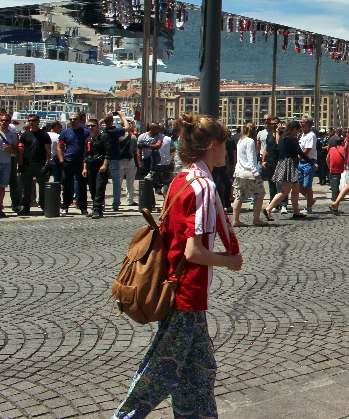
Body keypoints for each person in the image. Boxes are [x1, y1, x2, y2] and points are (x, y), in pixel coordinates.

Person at [112, 112, 242, 419]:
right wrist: (229, 261)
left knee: (199, 371)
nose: (227, 152)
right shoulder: (203, 187)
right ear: (213, 145)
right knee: (159, 371)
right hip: (186, 293)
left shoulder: (181, 179)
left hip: (179, 290)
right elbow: (193, 251)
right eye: (224, 145)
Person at [263, 120, 315, 219]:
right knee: (284, 191)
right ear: (294, 129)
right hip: (290, 164)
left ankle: (296, 211)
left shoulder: (282, 137)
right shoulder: (292, 138)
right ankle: (268, 209)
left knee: (295, 189)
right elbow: (301, 152)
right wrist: (312, 163)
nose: (299, 132)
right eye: (298, 130)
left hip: (283, 163)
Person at [230, 122, 267, 227]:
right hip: (249, 172)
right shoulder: (250, 141)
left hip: (239, 172)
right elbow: (251, 157)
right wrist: (255, 171)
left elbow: (239, 157)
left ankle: (235, 220)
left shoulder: (240, 140)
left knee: (239, 196)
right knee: (260, 194)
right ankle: (256, 219)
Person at [15, 114, 51, 216]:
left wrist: (47, 163)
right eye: (30, 120)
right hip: (27, 165)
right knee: (26, 188)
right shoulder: (25, 135)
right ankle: (26, 207)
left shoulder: (44, 134)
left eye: (34, 120)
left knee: (43, 187)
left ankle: (44, 206)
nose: (31, 122)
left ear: (38, 121)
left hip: (40, 164)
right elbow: (21, 150)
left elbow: (48, 150)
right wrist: (20, 163)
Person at [58, 114, 90, 216]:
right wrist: (61, 160)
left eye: (75, 119)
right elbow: (60, 146)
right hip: (68, 161)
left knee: (82, 186)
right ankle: (65, 206)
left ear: (79, 120)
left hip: (81, 162)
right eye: (71, 119)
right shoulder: (65, 132)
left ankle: (83, 208)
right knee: (67, 186)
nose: (72, 121)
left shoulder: (85, 132)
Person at [83, 118, 111, 219]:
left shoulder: (103, 136)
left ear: (97, 126)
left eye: (92, 126)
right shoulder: (88, 139)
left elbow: (108, 152)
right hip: (91, 165)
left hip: (100, 165)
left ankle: (98, 209)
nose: (90, 128)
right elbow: (86, 155)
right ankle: (94, 208)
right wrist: (84, 168)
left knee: (99, 188)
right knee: (92, 188)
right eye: (89, 126)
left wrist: (105, 165)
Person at [102, 112, 128, 212]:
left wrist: (105, 117)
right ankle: (116, 204)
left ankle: (102, 204)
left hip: (104, 158)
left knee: (102, 182)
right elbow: (127, 127)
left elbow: (101, 123)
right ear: (112, 121)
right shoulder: (115, 131)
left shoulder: (102, 131)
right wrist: (122, 116)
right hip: (115, 158)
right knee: (116, 183)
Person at [117, 121, 138, 207]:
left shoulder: (117, 137)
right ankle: (130, 200)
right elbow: (134, 149)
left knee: (118, 181)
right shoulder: (132, 137)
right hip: (130, 160)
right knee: (130, 181)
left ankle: (117, 200)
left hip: (119, 160)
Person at [327, 137, 346, 203]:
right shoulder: (344, 149)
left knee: (333, 184)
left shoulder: (332, 149)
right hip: (341, 169)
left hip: (332, 168)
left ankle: (334, 197)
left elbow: (327, 159)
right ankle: (339, 196)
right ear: (342, 143)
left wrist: (329, 166)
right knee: (341, 184)